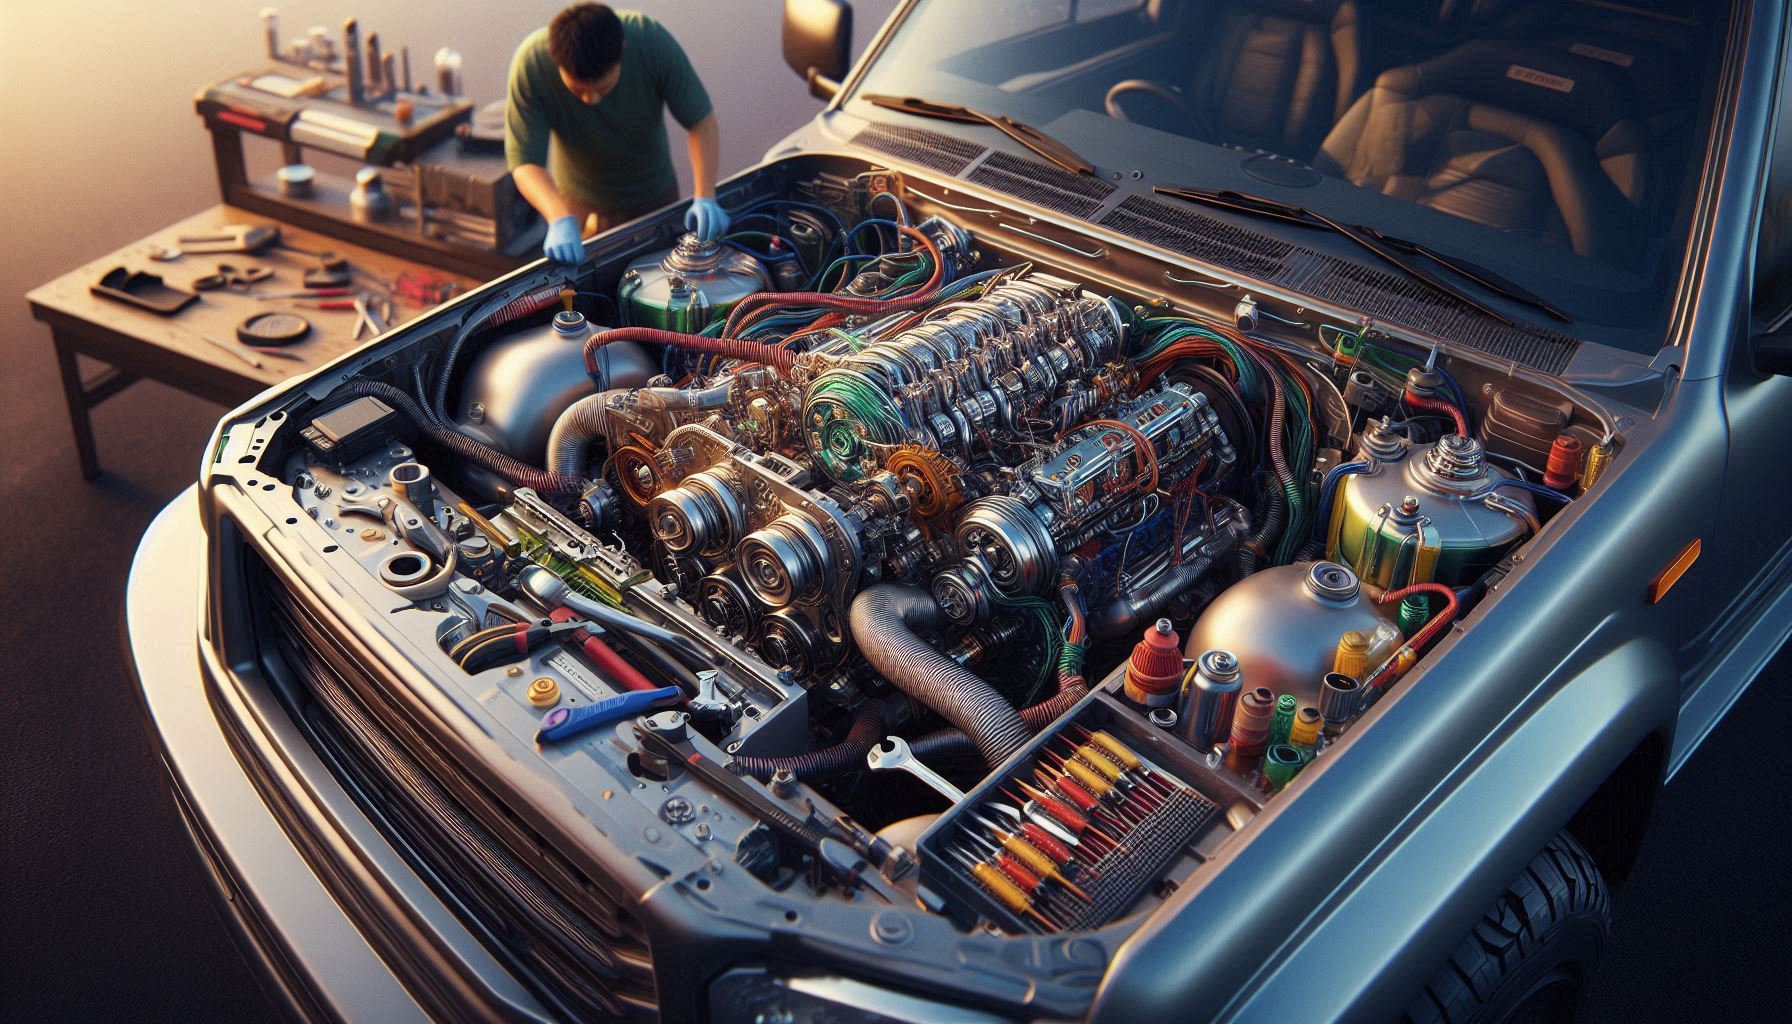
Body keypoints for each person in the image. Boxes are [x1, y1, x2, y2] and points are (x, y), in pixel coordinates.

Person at [505, 3, 729, 265]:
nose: (591, 99)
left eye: (603, 88)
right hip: (575, 206)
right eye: (578, 91)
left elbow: (701, 121)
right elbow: (524, 162)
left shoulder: (650, 40)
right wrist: (558, 217)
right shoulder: (531, 63)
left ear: (621, 50)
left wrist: (705, 196)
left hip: (654, 199)